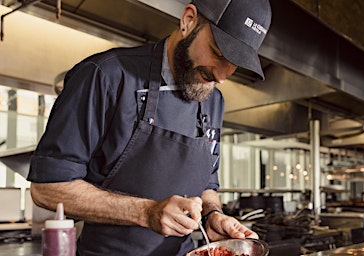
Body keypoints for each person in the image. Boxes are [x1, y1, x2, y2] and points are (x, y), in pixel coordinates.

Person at [27, 0, 272, 255]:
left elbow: (208, 185)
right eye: (219, 53)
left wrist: (213, 215)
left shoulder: (214, 99)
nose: (221, 76)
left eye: (235, 64)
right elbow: (46, 188)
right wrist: (145, 212)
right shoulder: (105, 76)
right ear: (188, 20)